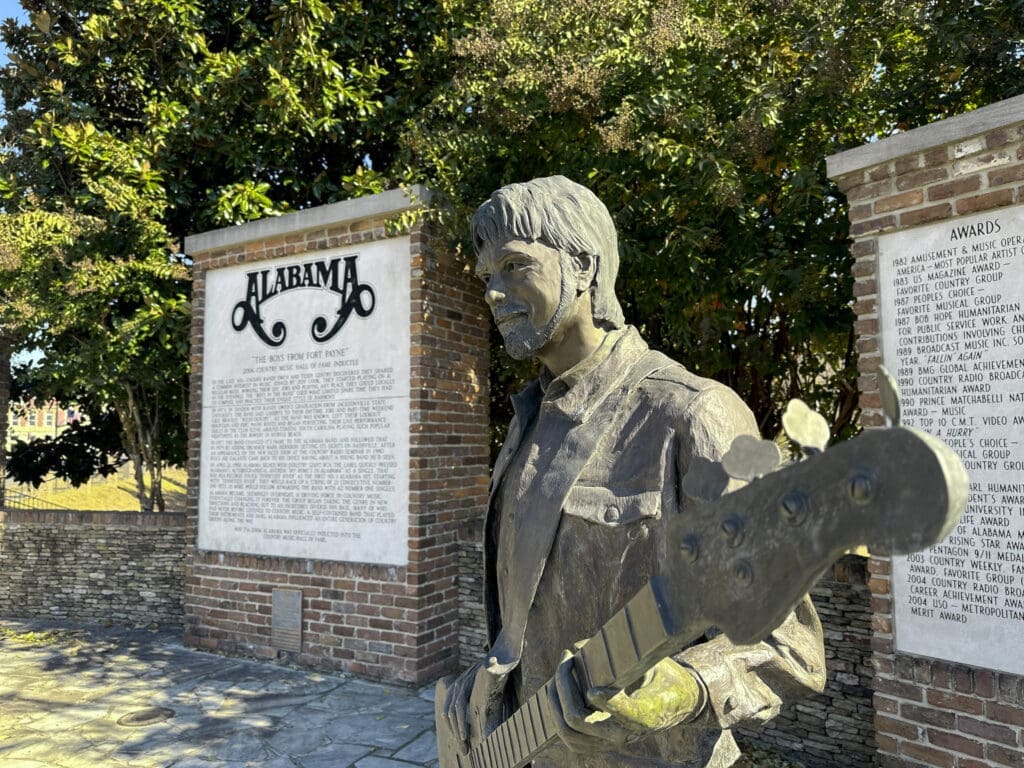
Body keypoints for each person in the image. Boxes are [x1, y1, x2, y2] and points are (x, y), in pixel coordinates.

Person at [440, 176, 825, 768]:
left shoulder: (692, 414)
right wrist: (482, 688)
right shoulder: (525, 424)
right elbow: (524, 615)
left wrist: (686, 689)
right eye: (487, 274)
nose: (493, 291)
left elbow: (788, 640)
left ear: (583, 267)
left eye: (515, 266)